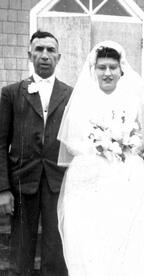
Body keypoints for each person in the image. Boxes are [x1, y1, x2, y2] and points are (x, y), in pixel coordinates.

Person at [57, 40, 144, 276]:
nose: (107, 73)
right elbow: (73, 141)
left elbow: (141, 140)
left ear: (121, 70)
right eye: (102, 67)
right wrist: (101, 146)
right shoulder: (81, 101)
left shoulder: (133, 100)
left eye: (112, 67)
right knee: (94, 241)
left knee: (133, 239)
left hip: (128, 176)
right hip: (90, 177)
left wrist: (126, 143)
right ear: (93, 70)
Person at [0, 30, 72, 275]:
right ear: (29, 54)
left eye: (50, 50)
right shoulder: (11, 93)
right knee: (21, 251)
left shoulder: (71, 95)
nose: (44, 55)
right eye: (39, 49)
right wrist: (3, 189)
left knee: (56, 249)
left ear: (59, 57)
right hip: (23, 182)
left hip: (58, 183)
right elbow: (0, 143)